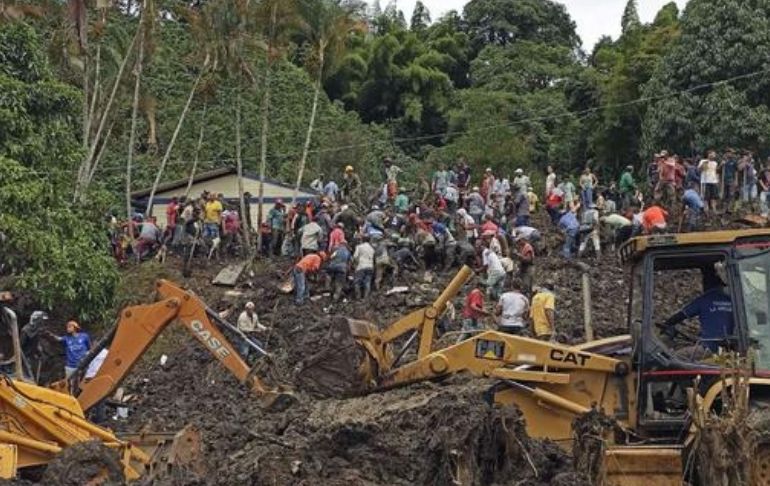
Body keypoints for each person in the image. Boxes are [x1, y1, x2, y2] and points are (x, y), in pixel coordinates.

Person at [661, 269, 734, 355]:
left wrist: (666, 324)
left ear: (705, 285)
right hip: (730, 349)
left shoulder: (704, 300)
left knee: (674, 357)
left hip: (709, 348)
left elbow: (680, 316)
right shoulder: (732, 300)